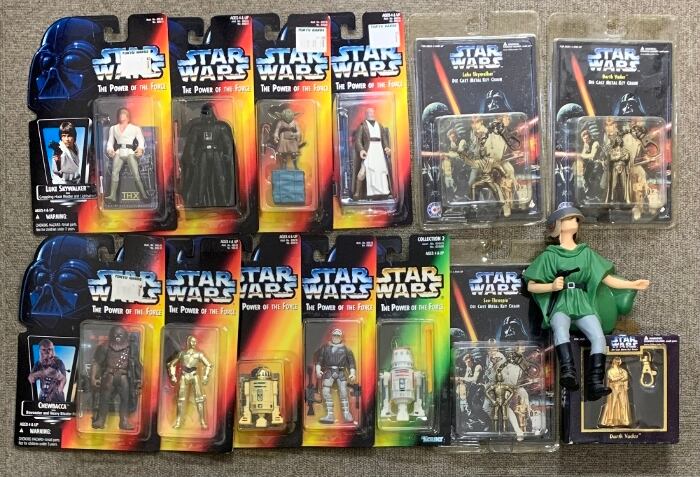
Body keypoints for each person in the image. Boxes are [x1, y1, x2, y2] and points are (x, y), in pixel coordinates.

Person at [523, 204, 649, 400]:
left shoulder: (586, 254)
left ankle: (595, 383)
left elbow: (606, 279)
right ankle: (568, 373)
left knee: (598, 337)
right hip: (562, 301)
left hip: (582, 302)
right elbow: (531, 286)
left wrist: (632, 284)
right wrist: (552, 286)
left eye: (576, 218)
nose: (575, 221)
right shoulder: (550, 256)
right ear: (558, 224)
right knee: (560, 330)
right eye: (569, 218)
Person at [105, 107, 148, 202]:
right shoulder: (113, 128)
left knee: (136, 174)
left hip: (130, 152)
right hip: (119, 151)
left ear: (128, 116)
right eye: (120, 113)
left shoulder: (135, 128)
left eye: (123, 113)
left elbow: (141, 140)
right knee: (114, 173)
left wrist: (140, 148)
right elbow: (110, 141)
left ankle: (144, 195)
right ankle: (112, 196)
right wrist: (110, 149)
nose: (121, 115)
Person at [353, 108, 391, 198]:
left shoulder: (379, 125)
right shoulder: (362, 126)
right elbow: (358, 140)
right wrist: (361, 150)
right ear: (366, 114)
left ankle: (384, 191)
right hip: (369, 150)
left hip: (379, 151)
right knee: (363, 171)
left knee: (381, 170)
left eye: (373, 112)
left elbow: (384, 138)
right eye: (369, 113)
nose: (372, 114)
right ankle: (357, 192)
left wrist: (386, 147)